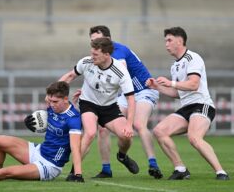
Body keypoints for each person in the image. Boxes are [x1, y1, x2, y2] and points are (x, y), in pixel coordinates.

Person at [146, 27, 230, 180]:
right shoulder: (175, 65)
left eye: (169, 40)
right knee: (159, 131)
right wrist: (157, 87)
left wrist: (170, 83)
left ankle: (221, 172)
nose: (166, 44)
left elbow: (193, 85)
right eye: (165, 41)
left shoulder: (192, 58)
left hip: (202, 105)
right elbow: (178, 93)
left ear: (180, 41)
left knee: (194, 137)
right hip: (186, 108)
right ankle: (180, 169)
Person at [87, 25, 162, 179]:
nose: (94, 45)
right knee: (103, 128)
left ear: (108, 39)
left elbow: (121, 70)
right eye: (92, 41)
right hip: (124, 94)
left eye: (98, 40)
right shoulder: (99, 55)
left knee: (139, 124)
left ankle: (153, 164)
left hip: (143, 90)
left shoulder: (118, 51)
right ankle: (107, 168)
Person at [59, 37, 139, 180]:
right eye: (92, 53)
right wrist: (53, 92)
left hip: (109, 108)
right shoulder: (86, 62)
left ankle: (122, 156)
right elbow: (70, 76)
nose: (92, 57)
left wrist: (129, 124)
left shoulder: (120, 71)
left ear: (107, 55)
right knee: (90, 133)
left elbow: (131, 99)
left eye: (96, 55)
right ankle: (74, 172)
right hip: (88, 103)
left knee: (126, 137)